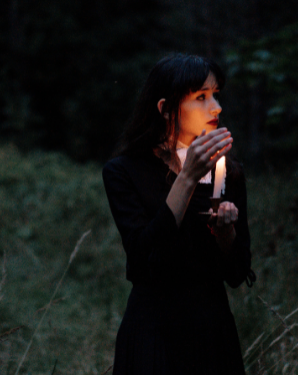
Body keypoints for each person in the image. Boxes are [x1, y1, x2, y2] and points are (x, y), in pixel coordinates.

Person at [102, 54, 255, 375]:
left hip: (211, 329)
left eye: (216, 94)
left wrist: (226, 233)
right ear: (165, 109)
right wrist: (187, 178)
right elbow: (144, 258)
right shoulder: (124, 172)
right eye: (201, 97)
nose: (216, 107)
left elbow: (238, 273)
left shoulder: (228, 173)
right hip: (153, 330)